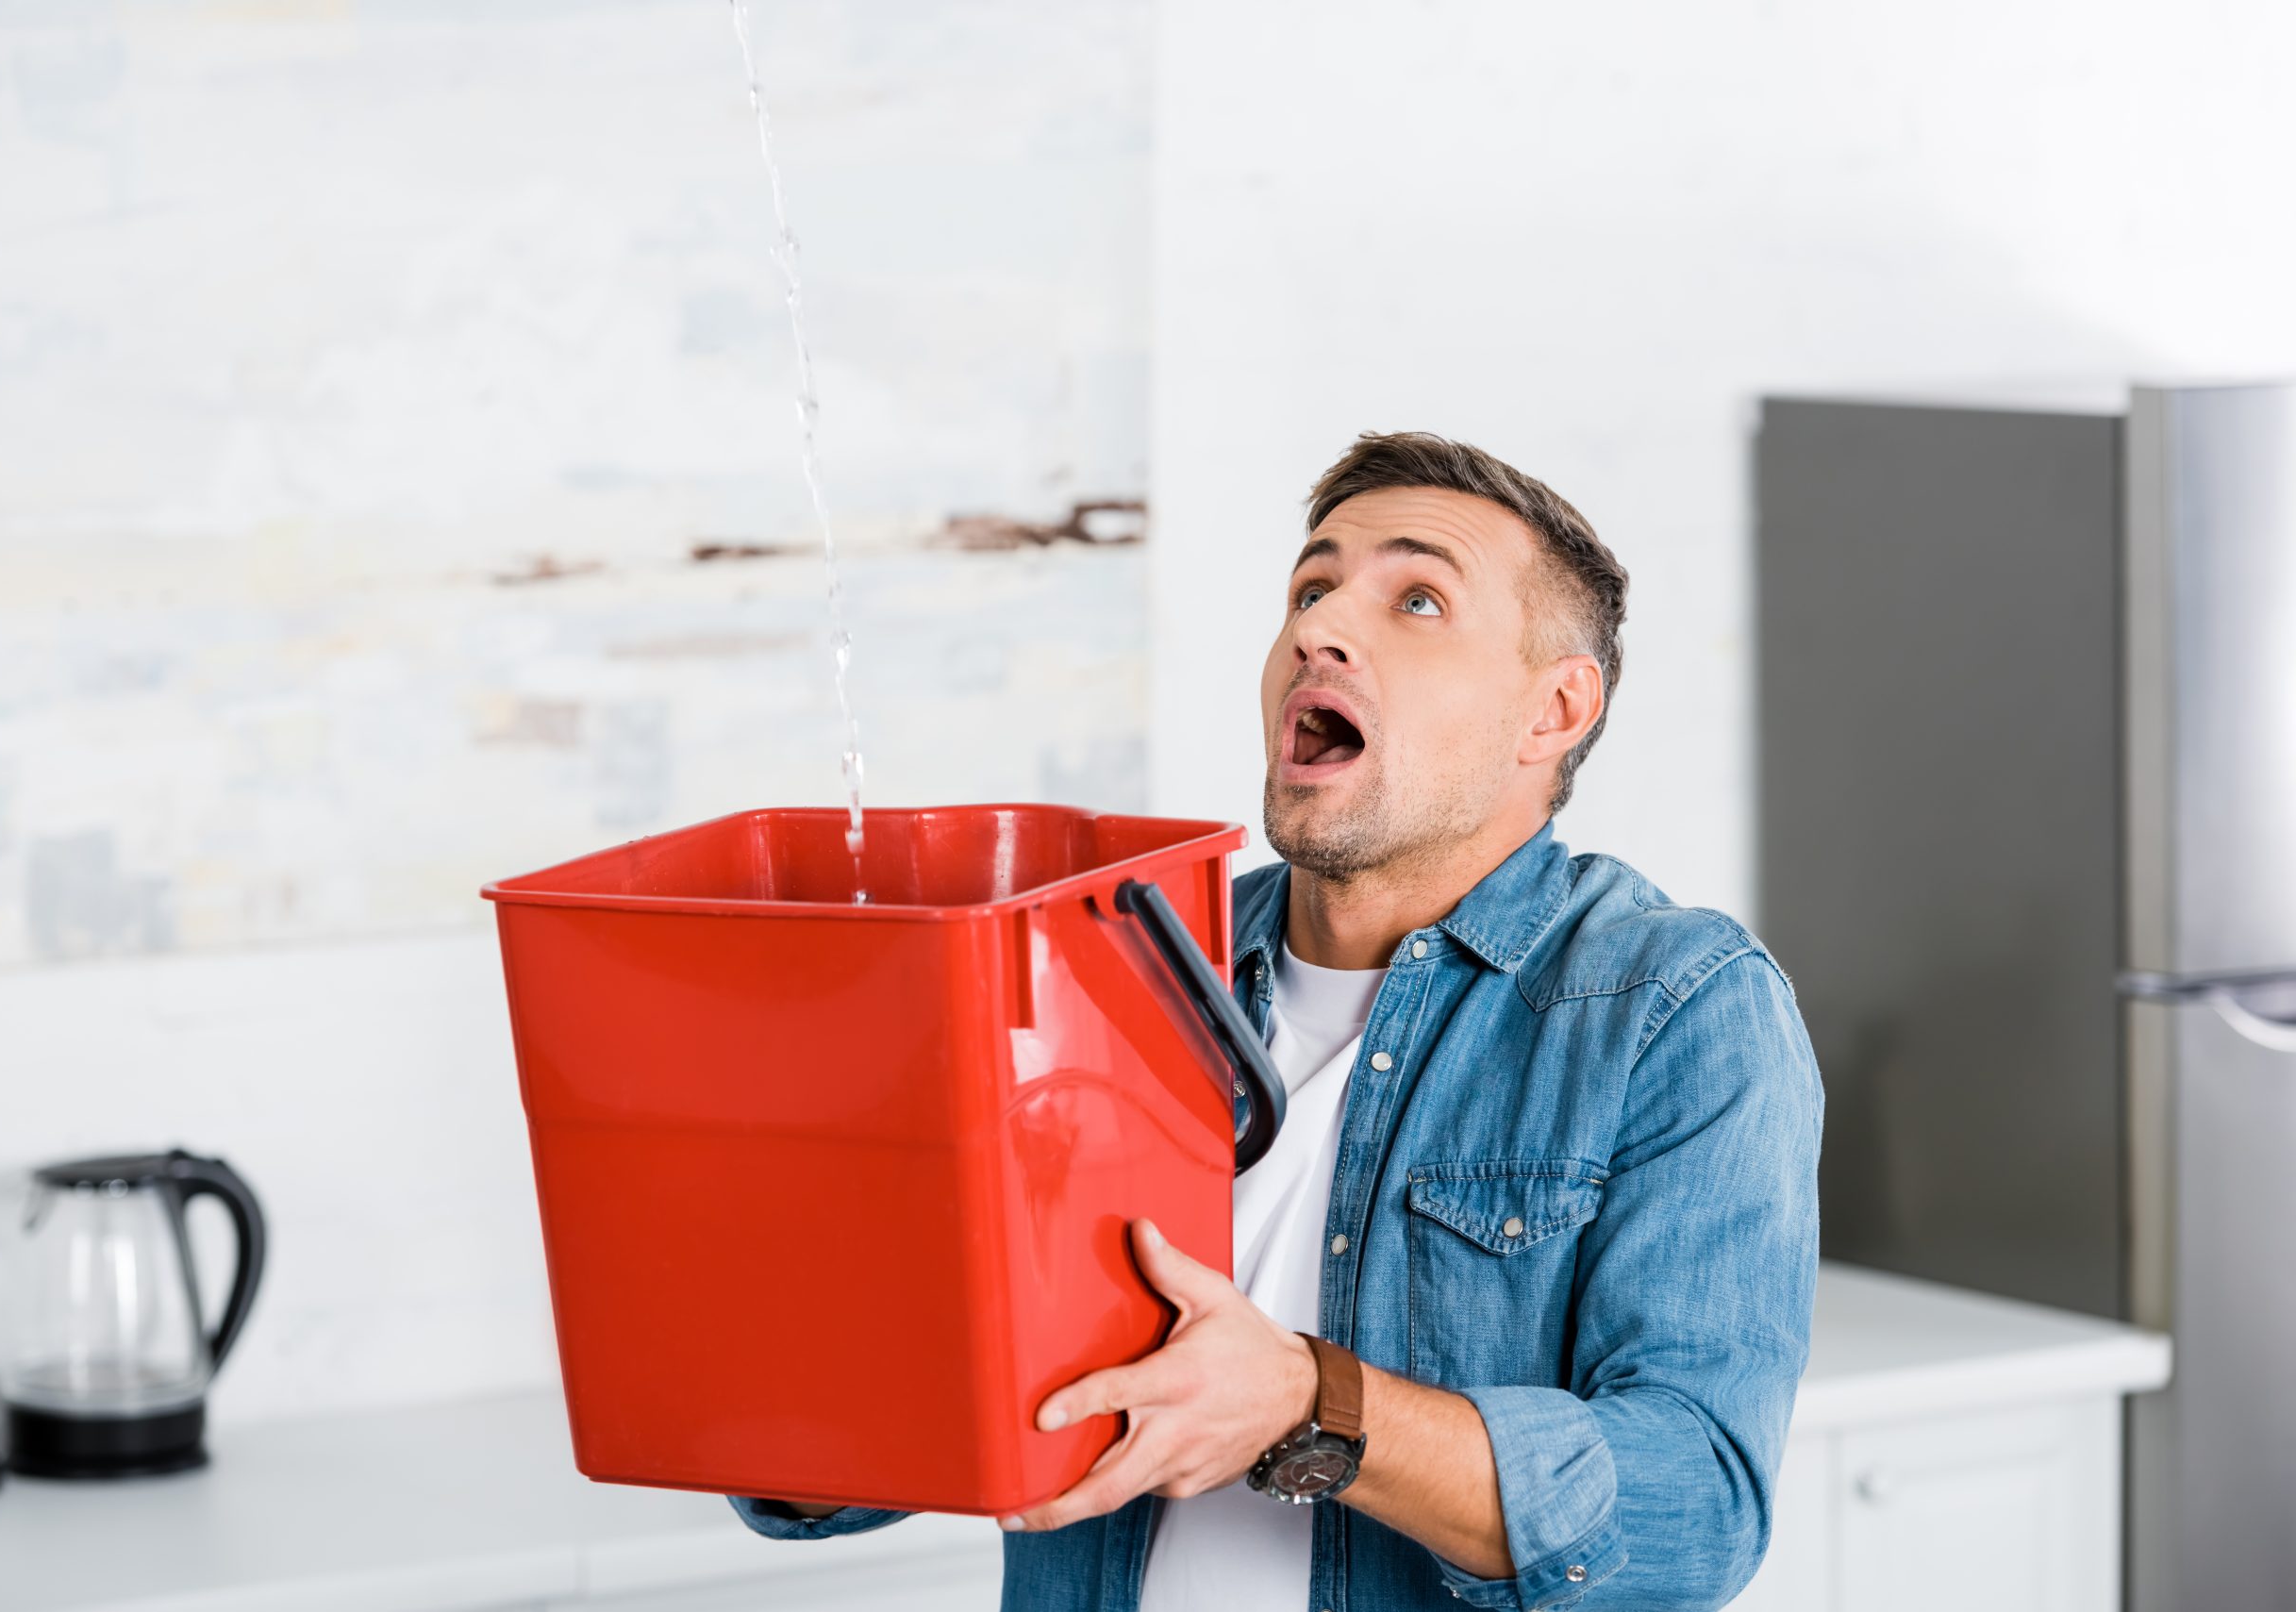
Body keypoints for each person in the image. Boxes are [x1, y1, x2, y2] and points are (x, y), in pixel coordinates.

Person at [730, 430, 1822, 1611]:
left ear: (1551, 710)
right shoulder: (1116, 962)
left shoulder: (1673, 1006)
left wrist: (1314, 1403)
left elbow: (1693, 1508)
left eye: (1415, 597)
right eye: (1311, 586)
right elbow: (927, 1410)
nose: (1320, 626)